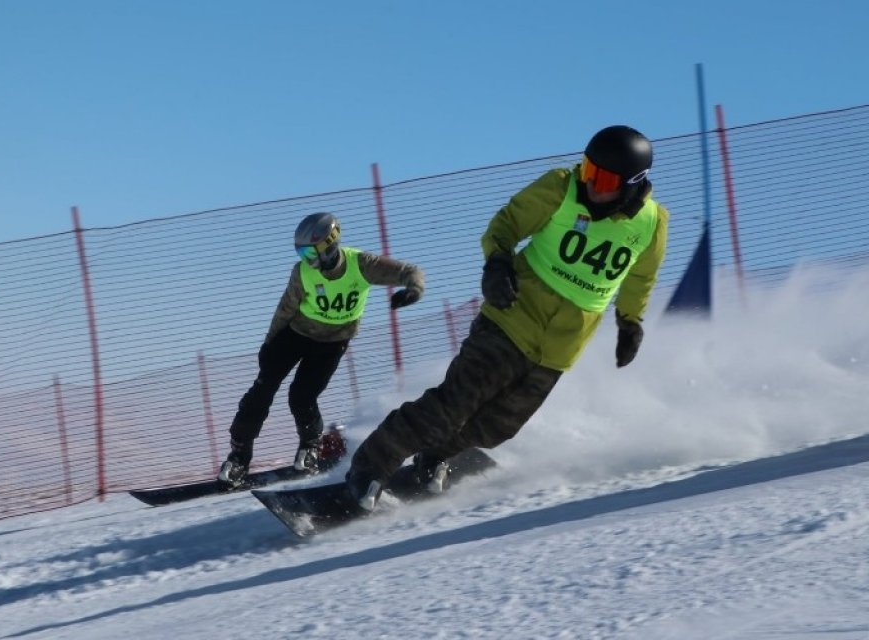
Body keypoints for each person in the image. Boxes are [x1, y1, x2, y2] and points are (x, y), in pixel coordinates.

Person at [342, 125, 669, 509]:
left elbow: (641, 276)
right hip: (512, 316)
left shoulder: (651, 224)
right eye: (588, 169)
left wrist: (631, 321)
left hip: (560, 345)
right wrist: (497, 263)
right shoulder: (561, 188)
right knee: (452, 406)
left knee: (499, 426)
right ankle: (370, 467)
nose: (592, 183)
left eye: (604, 178)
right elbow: (505, 225)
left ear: (633, 184)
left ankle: (436, 456)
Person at [217, 212, 425, 485]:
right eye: (302, 254)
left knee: (302, 396)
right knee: (262, 389)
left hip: (331, 343)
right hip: (295, 335)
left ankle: (310, 447)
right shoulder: (302, 272)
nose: (307, 260)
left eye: (310, 253)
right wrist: (269, 343)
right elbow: (285, 309)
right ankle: (238, 458)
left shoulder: (361, 264)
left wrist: (414, 290)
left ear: (329, 244)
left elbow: (409, 272)